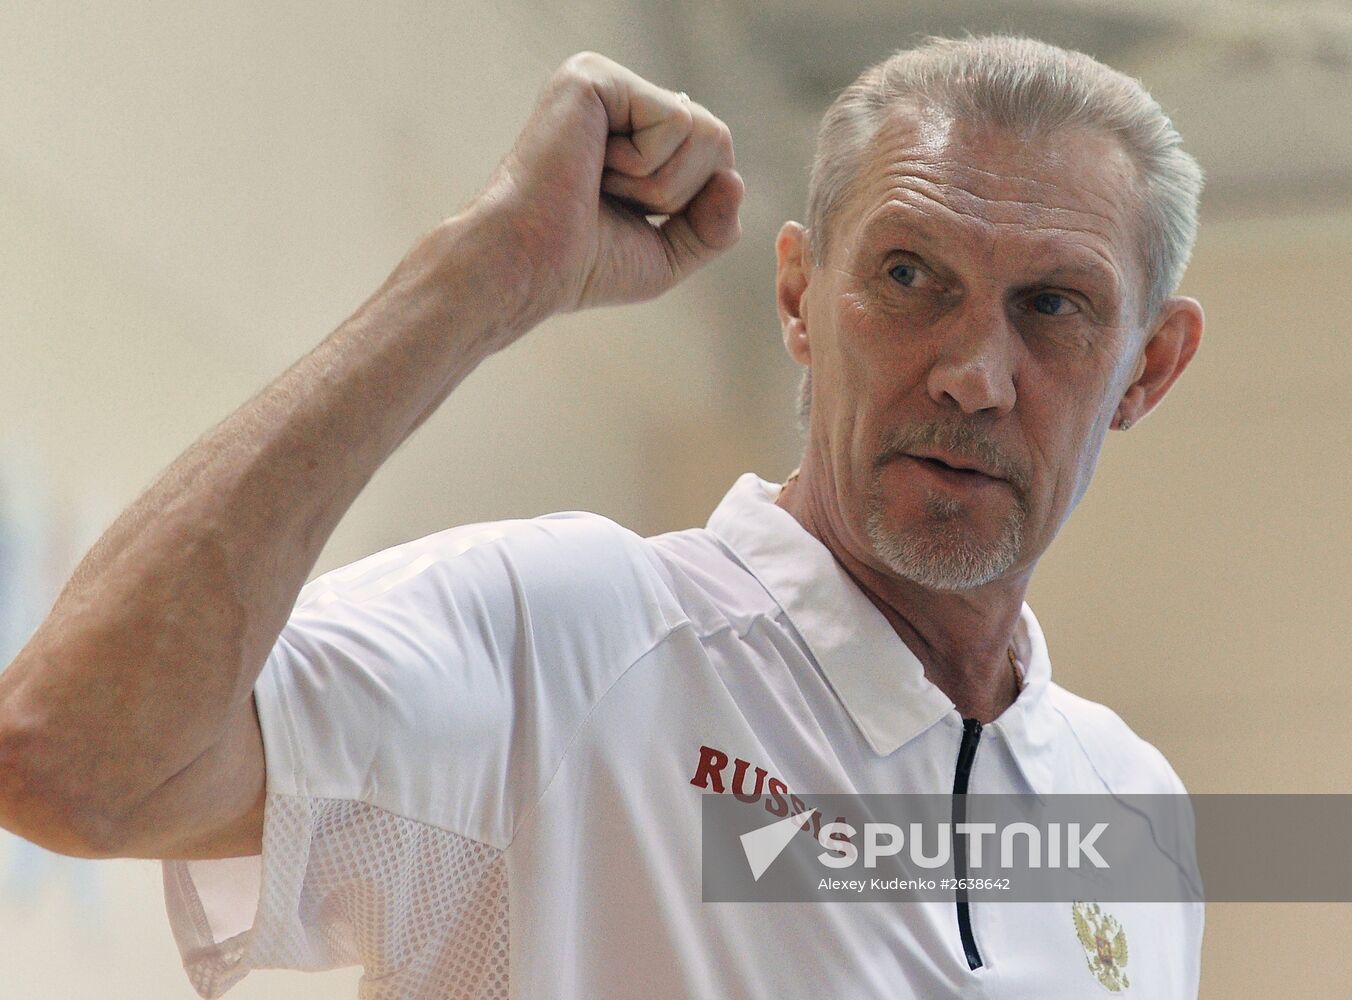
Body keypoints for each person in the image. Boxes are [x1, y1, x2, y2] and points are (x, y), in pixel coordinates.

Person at [0, 34, 1205, 998]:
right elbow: (67, 764)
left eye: (1051, 306)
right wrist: (482, 276)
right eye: (906, 276)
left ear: (1146, 371)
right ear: (797, 296)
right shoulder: (564, 639)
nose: (971, 374)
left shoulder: (1134, 810)